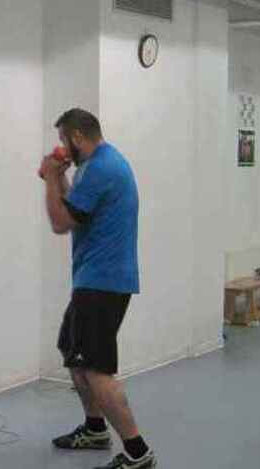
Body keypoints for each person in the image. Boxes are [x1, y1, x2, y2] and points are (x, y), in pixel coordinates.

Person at [41, 108, 156, 469]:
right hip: (94, 279)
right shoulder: (96, 164)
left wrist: (47, 178)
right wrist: (59, 177)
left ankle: (139, 453)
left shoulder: (103, 168)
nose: (62, 148)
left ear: (77, 137)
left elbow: (60, 222)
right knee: (74, 354)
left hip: (102, 282)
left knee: (96, 369)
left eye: (64, 141)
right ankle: (94, 429)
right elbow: (74, 208)